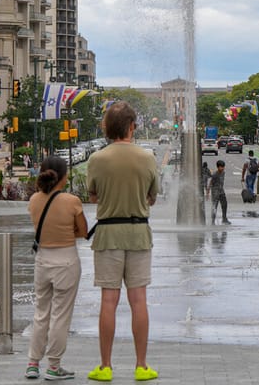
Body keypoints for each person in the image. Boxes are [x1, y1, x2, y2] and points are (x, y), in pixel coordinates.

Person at [85, 101, 159, 382]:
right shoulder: (148, 157)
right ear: (132, 127)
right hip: (139, 233)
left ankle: (105, 367)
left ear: (107, 128)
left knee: (109, 300)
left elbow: (93, 196)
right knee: (139, 301)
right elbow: (152, 197)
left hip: (108, 235)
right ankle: (141, 366)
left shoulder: (97, 159)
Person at [25, 155, 88, 381]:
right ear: (63, 176)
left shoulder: (33, 200)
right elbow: (83, 231)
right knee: (61, 315)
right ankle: (53, 366)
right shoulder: (72, 201)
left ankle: (33, 363)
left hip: (42, 260)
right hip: (66, 260)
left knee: (41, 312)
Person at [207, 160, 230, 225]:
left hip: (221, 191)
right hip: (215, 192)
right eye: (221, 167)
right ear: (218, 167)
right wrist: (208, 192)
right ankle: (213, 221)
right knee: (214, 206)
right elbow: (210, 183)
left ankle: (224, 219)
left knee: (224, 205)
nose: (222, 168)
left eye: (223, 167)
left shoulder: (223, 172)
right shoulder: (215, 174)